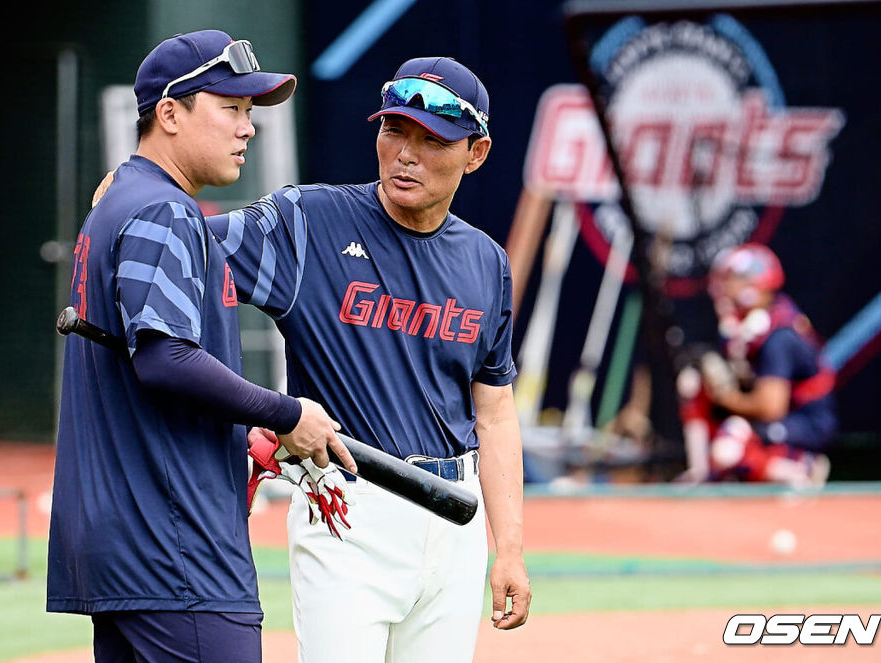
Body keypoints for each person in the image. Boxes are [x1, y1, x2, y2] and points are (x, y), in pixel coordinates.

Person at [47, 29, 355, 663]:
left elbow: (137, 367)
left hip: (133, 550)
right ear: (170, 113)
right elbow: (165, 361)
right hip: (176, 551)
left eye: (251, 113)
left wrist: (237, 430)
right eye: (231, 109)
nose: (248, 129)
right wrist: (286, 413)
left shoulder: (120, 203)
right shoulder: (163, 211)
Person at [215, 56, 531, 663]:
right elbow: (188, 247)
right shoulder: (309, 221)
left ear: (476, 153)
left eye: (432, 139)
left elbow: (494, 415)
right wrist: (140, 197)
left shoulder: (487, 263)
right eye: (394, 130)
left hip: (453, 517)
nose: (406, 153)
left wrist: (509, 547)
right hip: (346, 506)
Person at [676, 243, 836, 487]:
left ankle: (798, 469)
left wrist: (726, 397)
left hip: (802, 423)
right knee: (691, 383)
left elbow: (771, 407)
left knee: (729, 446)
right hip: (769, 417)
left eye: (733, 280)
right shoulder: (743, 327)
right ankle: (700, 472)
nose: (724, 289)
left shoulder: (779, 336)